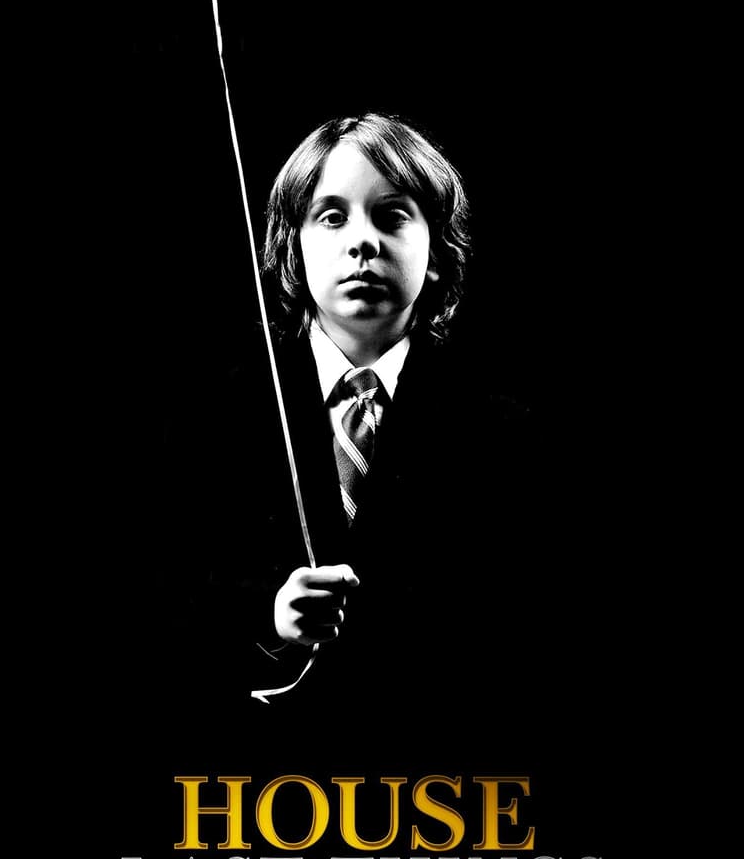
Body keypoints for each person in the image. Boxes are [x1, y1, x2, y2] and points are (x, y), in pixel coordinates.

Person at [163, 111, 546, 759]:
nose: (362, 241)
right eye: (331, 217)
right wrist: (271, 618)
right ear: (293, 246)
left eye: (392, 216)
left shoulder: (505, 434)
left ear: (436, 252)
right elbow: (171, 594)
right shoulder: (215, 417)